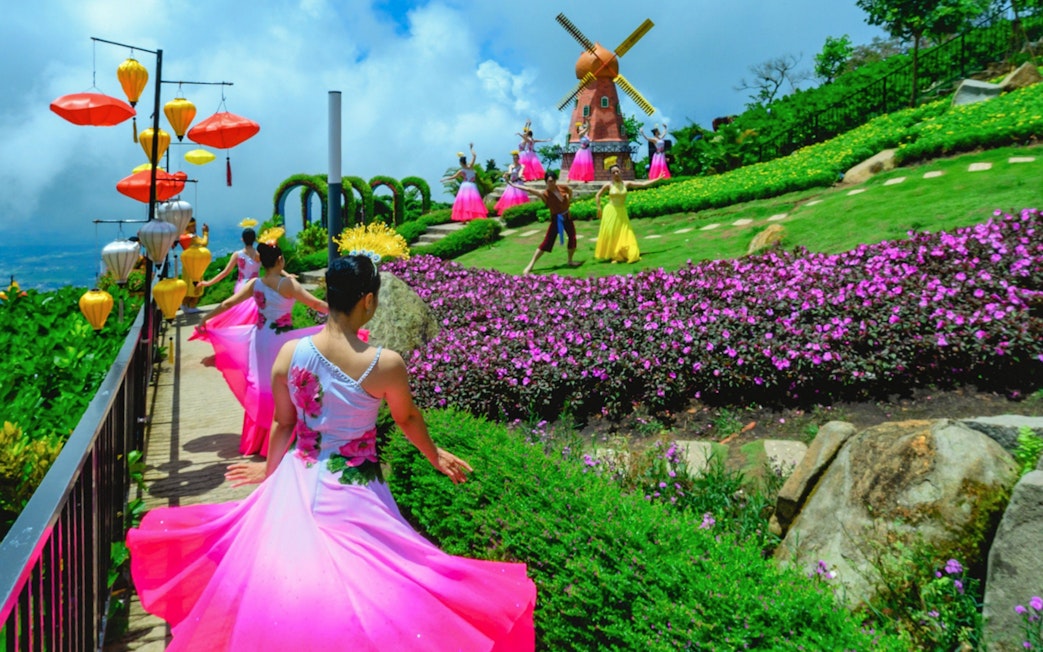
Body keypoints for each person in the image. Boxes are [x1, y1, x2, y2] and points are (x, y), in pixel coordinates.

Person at [127, 254, 537, 651]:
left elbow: (284, 423)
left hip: (298, 478)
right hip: (357, 488)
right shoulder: (385, 364)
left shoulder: (292, 354)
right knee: (380, 580)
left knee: (292, 583)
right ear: (369, 300)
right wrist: (435, 456)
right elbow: (408, 419)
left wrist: (268, 474)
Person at [195, 240, 328, 456]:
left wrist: (206, 318)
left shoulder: (255, 284)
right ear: (279, 260)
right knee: (285, 384)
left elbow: (228, 303)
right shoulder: (288, 285)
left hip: (260, 339)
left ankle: (259, 441)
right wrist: (340, 312)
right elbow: (315, 304)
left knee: (263, 383)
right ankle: (284, 437)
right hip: (282, 341)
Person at [191, 226, 263, 330]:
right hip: (256, 285)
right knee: (254, 313)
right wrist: (287, 274)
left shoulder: (237, 254)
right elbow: (271, 267)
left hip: (242, 286)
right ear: (255, 239)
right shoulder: (259, 255)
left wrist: (208, 283)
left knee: (240, 312)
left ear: (242, 239)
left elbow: (225, 273)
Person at [510, 171, 581, 274]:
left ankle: (570, 261)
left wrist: (568, 199)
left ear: (555, 181)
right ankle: (531, 265)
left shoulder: (563, 188)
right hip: (557, 219)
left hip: (567, 217)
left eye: (552, 181)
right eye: (548, 182)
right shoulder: (545, 194)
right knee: (547, 242)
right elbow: (530, 190)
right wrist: (513, 185)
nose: (550, 183)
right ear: (546, 182)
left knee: (572, 238)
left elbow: (570, 191)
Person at [594, 163, 665, 264]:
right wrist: (599, 208)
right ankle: (615, 255)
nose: (616, 173)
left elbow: (643, 184)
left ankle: (624, 253)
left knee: (625, 232)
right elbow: (597, 195)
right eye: (613, 172)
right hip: (610, 211)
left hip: (621, 211)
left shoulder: (626, 184)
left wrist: (658, 178)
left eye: (617, 171)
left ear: (620, 172)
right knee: (612, 233)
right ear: (611, 174)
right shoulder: (608, 185)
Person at [444, 143, 487, 222]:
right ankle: (472, 217)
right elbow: (474, 156)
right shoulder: (470, 166)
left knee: (464, 201)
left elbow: (453, 177)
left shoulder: (461, 171)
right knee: (473, 201)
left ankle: (464, 219)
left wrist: (445, 179)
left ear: (460, 163)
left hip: (464, 186)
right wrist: (471, 149)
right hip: (472, 185)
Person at [179, 218, 209, 313]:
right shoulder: (190, 237)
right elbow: (204, 243)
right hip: (193, 264)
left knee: (191, 285)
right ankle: (188, 305)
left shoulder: (186, 236)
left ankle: (188, 305)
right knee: (193, 285)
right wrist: (205, 233)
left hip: (191, 263)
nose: (194, 228)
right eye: (193, 226)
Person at [494, 150, 531, 215]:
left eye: (516, 158)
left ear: (519, 159)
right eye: (514, 158)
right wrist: (506, 174)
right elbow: (510, 172)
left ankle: (520, 213)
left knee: (519, 199)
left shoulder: (522, 166)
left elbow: (520, 173)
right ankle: (510, 213)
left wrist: (521, 176)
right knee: (510, 198)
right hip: (511, 184)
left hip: (519, 183)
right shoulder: (511, 166)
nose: (515, 159)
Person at [566, 118, 594, 183]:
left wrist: (588, 121)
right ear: (579, 130)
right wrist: (587, 122)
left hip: (587, 151)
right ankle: (569, 178)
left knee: (586, 165)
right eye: (581, 127)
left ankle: (585, 179)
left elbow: (588, 127)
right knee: (577, 165)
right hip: (582, 151)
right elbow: (587, 128)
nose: (582, 127)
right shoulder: (580, 134)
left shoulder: (586, 134)